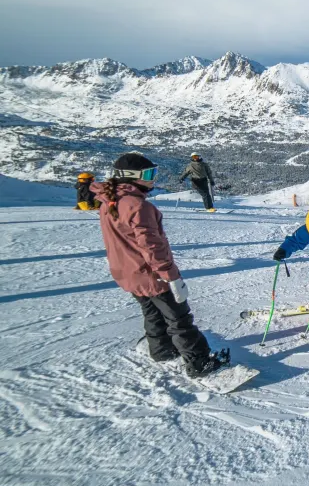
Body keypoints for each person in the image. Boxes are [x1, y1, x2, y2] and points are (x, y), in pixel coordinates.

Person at [92, 152, 224, 377]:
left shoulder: (108, 201)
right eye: (148, 174)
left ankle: (161, 350)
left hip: (127, 272)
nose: (152, 179)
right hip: (152, 274)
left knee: (152, 312)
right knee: (179, 318)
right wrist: (171, 276)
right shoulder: (138, 206)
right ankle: (199, 362)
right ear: (131, 176)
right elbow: (151, 246)